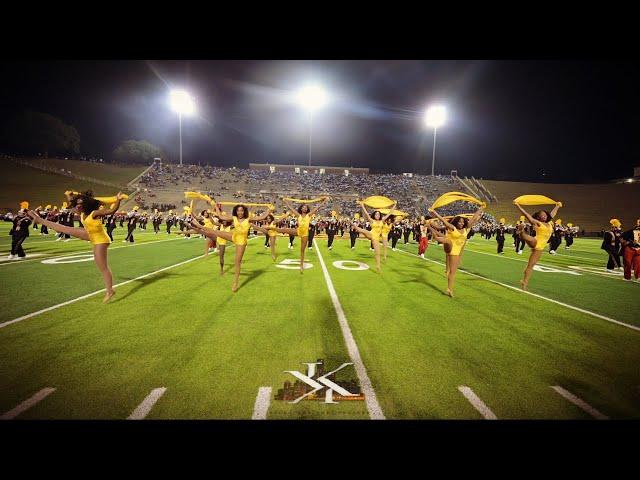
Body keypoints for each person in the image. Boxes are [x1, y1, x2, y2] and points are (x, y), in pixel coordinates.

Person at [28, 191, 126, 302]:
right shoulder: (82, 213)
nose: (78, 206)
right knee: (64, 228)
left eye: (80, 204)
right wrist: (69, 196)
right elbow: (73, 204)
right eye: (77, 204)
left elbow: (111, 211)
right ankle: (39, 220)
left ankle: (110, 290)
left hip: (100, 240)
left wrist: (118, 199)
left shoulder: (94, 213)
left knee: (103, 267)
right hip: (91, 235)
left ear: (87, 204)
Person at [191, 203, 271, 292]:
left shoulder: (248, 219)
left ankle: (235, 283)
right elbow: (221, 217)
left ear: (244, 211)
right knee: (215, 232)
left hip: (241, 241)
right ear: (236, 211)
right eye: (238, 210)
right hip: (234, 236)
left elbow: (261, 217)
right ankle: (200, 227)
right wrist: (216, 206)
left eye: (241, 210)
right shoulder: (234, 218)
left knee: (237, 262)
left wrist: (269, 209)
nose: (240, 212)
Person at [426, 207, 485, 297]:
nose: (461, 223)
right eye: (459, 221)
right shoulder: (453, 228)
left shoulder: (466, 228)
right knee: (448, 240)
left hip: (456, 253)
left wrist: (480, 209)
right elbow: (442, 220)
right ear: (456, 222)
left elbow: (473, 218)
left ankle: (449, 289)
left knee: (453, 272)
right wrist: (434, 212)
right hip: (449, 247)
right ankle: (437, 238)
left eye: (462, 222)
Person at [514, 201, 562, 291]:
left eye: (545, 214)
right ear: (538, 217)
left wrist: (557, 206)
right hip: (536, 241)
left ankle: (524, 282)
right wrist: (518, 206)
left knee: (530, 266)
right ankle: (521, 232)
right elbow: (527, 215)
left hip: (540, 248)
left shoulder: (550, 223)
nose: (544, 216)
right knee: (529, 239)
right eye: (542, 215)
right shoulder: (537, 223)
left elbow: (552, 213)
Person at [275, 198, 329, 273]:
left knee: (302, 251)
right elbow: (291, 208)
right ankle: (271, 229)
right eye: (303, 207)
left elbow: (317, 208)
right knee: (284, 230)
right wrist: (286, 202)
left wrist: (324, 202)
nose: (305, 208)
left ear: (307, 209)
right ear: (301, 208)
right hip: (298, 231)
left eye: (306, 207)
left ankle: (301, 266)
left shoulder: (309, 215)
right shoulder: (298, 215)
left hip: (305, 234)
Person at [350, 201, 397, 273]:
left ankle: (378, 266)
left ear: (380, 215)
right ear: (374, 215)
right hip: (371, 234)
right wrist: (362, 205)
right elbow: (366, 213)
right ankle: (352, 223)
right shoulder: (372, 220)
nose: (377, 215)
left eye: (378, 214)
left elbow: (390, 213)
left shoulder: (382, 220)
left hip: (376, 238)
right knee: (361, 230)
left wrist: (395, 205)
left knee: (378, 253)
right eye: (376, 214)